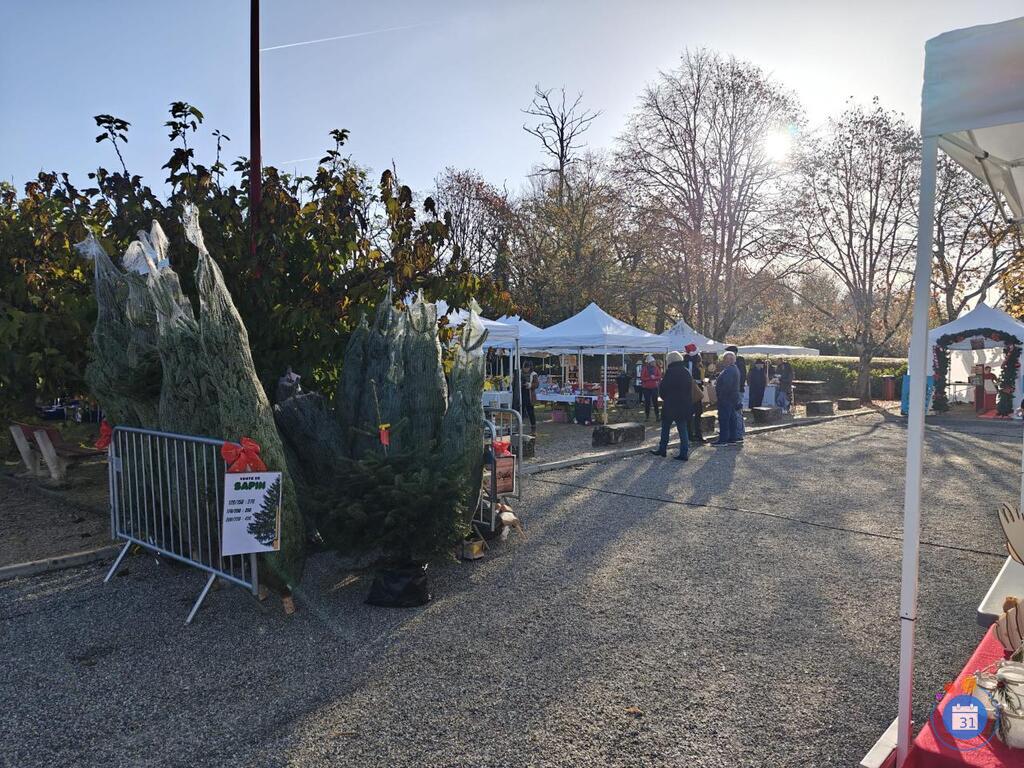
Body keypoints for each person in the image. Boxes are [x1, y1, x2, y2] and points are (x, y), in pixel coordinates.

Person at [650, 350, 692, 460]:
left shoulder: (670, 372)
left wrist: (666, 398)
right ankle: (684, 452)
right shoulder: (686, 371)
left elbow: (662, 389)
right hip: (683, 404)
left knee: (665, 428)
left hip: (670, 404)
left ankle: (662, 449)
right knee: (683, 430)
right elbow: (690, 389)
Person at [714, 351, 741, 446]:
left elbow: (727, 385)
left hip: (726, 398)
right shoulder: (734, 369)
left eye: (724, 359)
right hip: (732, 398)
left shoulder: (729, 370)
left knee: (724, 419)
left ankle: (723, 439)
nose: (723, 361)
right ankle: (732, 438)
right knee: (731, 419)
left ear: (728, 360)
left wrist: (721, 396)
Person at [682, 343, 705, 444]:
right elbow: (692, 378)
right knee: (694, 413)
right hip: (692, 391)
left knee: (695, 413)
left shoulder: (693, 363)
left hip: (693, 391)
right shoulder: (690, 363)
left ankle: (694, 434)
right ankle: (693, 435)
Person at [725, 345, 746, 442]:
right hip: (737, 390)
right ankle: (737, 432)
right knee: (737, 412)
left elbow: (740, 379)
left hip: (737, 391)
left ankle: (738, 434)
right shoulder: (739, 363)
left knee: (737, 412)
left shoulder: (738, 363)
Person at [640, 354, 662, 421]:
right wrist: (650, 378)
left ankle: (657, 416)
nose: (654, 363)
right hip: (646, 388)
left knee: (655, 402)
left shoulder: (656, 368)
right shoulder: (645, 368)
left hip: (654, 387)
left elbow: (660, 376)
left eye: (654, 362)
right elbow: (642, 378)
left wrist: (654, 377)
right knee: (647, 402)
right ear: (649, 362)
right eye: (653, 362)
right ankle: (647, 416)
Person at [518, 361, 538, 431]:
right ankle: (519, 427)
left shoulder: (533, 374)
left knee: (531, 412)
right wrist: (520, 384)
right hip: (521, 394)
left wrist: (530, 385)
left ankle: (533, 428)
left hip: (529, 395)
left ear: (530, 368)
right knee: (520, 412)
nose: (526, 369)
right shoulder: (519, 373)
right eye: (525, 368)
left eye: (527, 368)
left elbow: (536, 384)